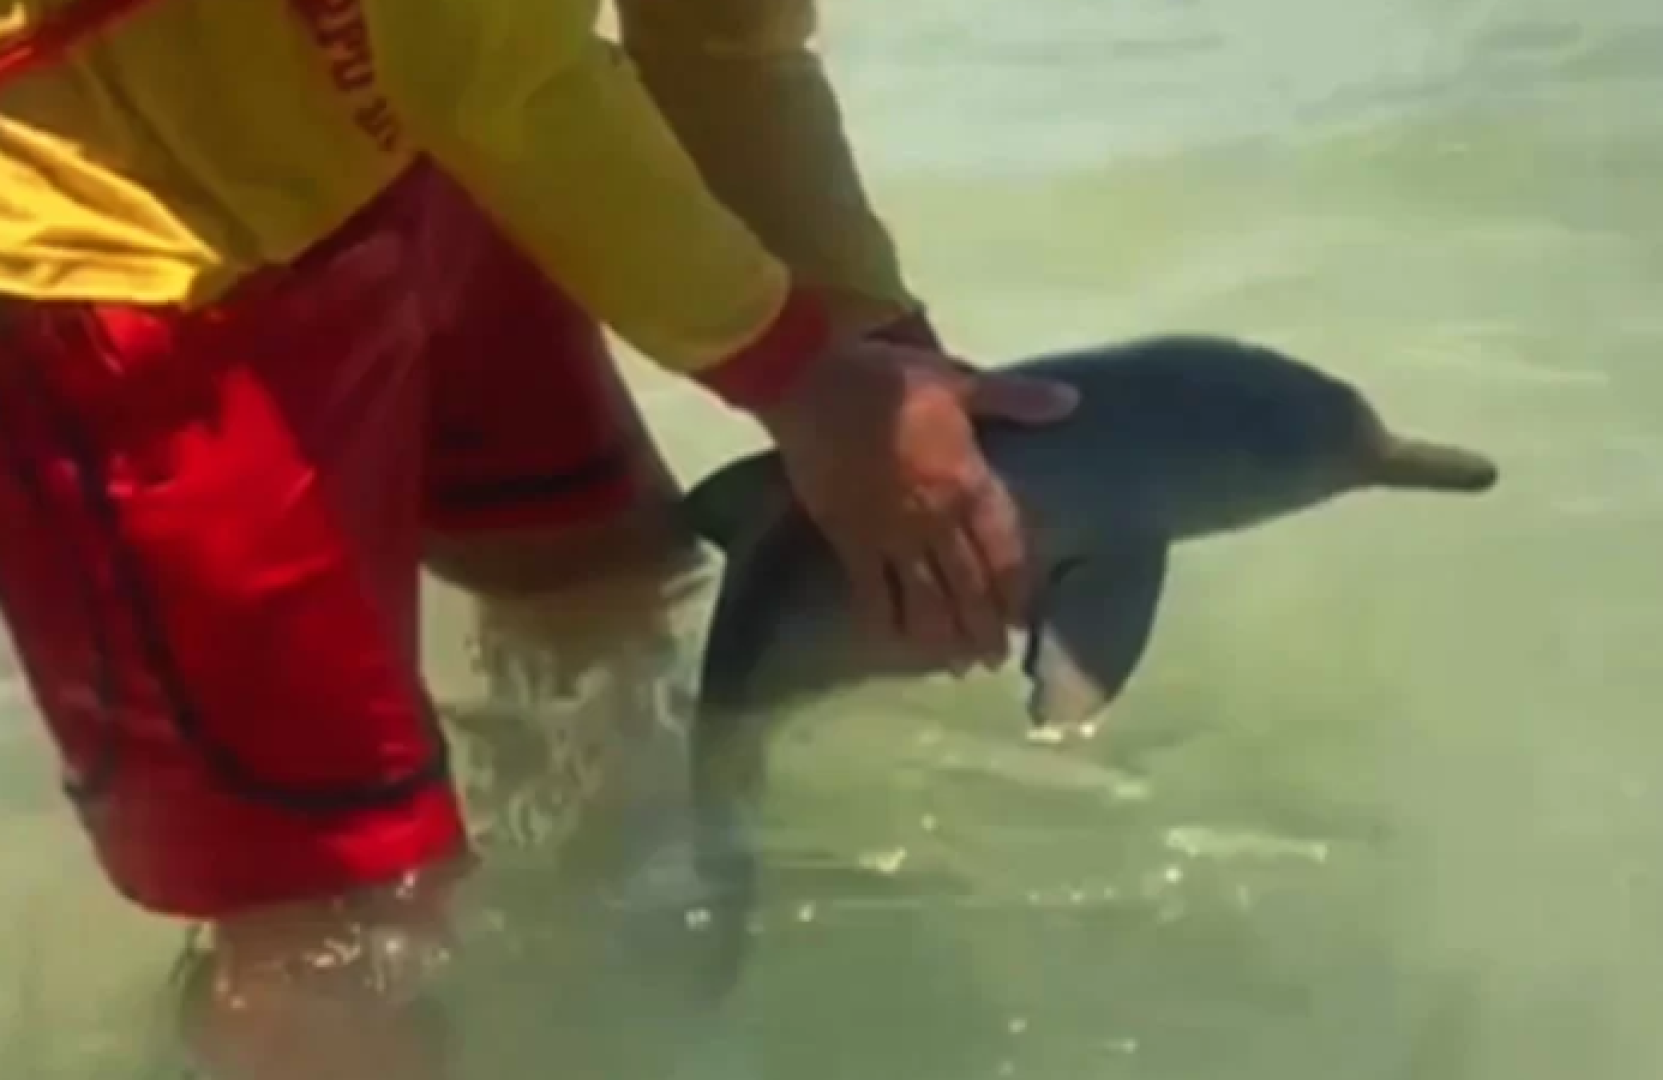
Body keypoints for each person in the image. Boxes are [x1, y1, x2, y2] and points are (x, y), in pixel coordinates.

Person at [0, 1, 1078, 1078]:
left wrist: (870, 355)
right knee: (334, 914)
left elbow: (717, 38)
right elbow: (483, 81)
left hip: (408, 127)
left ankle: (614, 993)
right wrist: (798, 378)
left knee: (607, 595)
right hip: (117, 250)